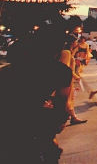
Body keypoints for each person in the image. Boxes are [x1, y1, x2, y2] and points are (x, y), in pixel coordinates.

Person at [0, 25, 74, 163]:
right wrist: (56, 125)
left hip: (8, 125)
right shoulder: (61, 71)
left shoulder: (11, 68)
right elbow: (61, 103)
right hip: (35, 128)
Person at [60, 37, 87, 125]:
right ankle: (73, 117)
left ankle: (69, 115)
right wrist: (76, 76)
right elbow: (65, 68)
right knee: (68, 98)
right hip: (67, 79)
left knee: (69, 97)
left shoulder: (69, 52)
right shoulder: (66, 53)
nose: (77, 43)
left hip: (68, 78)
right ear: (71, 42)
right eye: (76, 41)